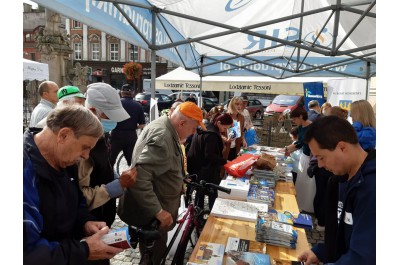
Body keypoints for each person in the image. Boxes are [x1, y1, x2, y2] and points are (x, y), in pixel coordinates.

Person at [23, 104, 124, 264]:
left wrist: (85, 222)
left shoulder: (66, 162)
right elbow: (27, 254)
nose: (86, 156)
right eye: (85, 148)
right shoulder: (24, 172)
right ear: (63, 135)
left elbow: (77, 204)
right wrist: (84, 250)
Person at [117, 101, 206, 265]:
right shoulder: (163, 138)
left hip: (155, 209)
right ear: (182, 123)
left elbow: (161, 166)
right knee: (153, 257)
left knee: (154, 254)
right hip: (153, 214)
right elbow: (140, 179)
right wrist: (158, 211)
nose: (194, 133)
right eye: (193, 129)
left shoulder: (166, 127)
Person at [298, 116, 376, 265]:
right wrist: (321, 252)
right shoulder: (341, 179)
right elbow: (343, 236)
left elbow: (364, 257)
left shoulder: (372, 188)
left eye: (321, 157)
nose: (319, 165)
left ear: (342, 147)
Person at [187, 113, 233, 209]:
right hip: (206, 170)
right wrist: (225, 161)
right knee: (211, 194)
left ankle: (198, 214)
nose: (225, 131)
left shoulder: (204, 127)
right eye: (225, 128)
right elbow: (210, 155)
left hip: (197, 167)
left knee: (200, 195)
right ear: (219, 123)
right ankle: (210, 214)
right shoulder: (211, 135)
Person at [281, 107, 315, 213]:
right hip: (304, 157)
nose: (294, 122)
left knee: (308, 183)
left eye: (294, 119)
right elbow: (298, 143)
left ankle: (307, 206)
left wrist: (287, 149)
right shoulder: (301, 127)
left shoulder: (312, 127)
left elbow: (302, 143)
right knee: (301, 183)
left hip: (311, 157)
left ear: (301, 116)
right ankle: (300, 204)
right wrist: (287, 149)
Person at [110, 83, 146, 168]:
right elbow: (142, 125)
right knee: (133, 163)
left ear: (121, 92)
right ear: (132, 93)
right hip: (130, 136)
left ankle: (108, 179)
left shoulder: (116, 104)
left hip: (116, 135)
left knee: (110, 161)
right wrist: (133, 127)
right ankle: (133, 179)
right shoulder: (138, 105)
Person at [224, 96, 247, 161]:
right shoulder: (226, 116)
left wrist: (243, 140)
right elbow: (220, 132)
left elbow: (241, 131)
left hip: (236, 146)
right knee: (224, 167)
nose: (239, 106)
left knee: (234, 166)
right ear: (232, 105)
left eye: (241, 104)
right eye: (237, 104)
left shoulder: (241, 117)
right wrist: (226, 139)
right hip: (226, 147)